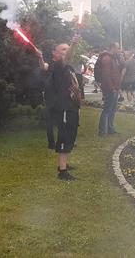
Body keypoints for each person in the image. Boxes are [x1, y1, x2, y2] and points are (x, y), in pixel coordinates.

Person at [37, 36, 82, 181]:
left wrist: (78, 106)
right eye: (63, 49)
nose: (66, 51)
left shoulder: (67, 67)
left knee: (70, 136)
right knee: (64, 136)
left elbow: (43, 66)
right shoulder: (59, 65)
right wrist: (73, 44)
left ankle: (63, 164)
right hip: (63, 108)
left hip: (71, 107)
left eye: (67, 48)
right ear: (56, 53)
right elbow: (44, 66)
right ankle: (62, 172)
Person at [97, 42, 123, 136]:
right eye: (118, 48)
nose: (119, 50)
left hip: (114, 88)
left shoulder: (114, 58)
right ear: (112, 48)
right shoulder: (107, 58)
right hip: (110, 88)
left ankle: (110, 129)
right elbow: (106, 75)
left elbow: (120, 68)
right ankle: (102, 131)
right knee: (107, 110)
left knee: (112, 110)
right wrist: (111, 88)